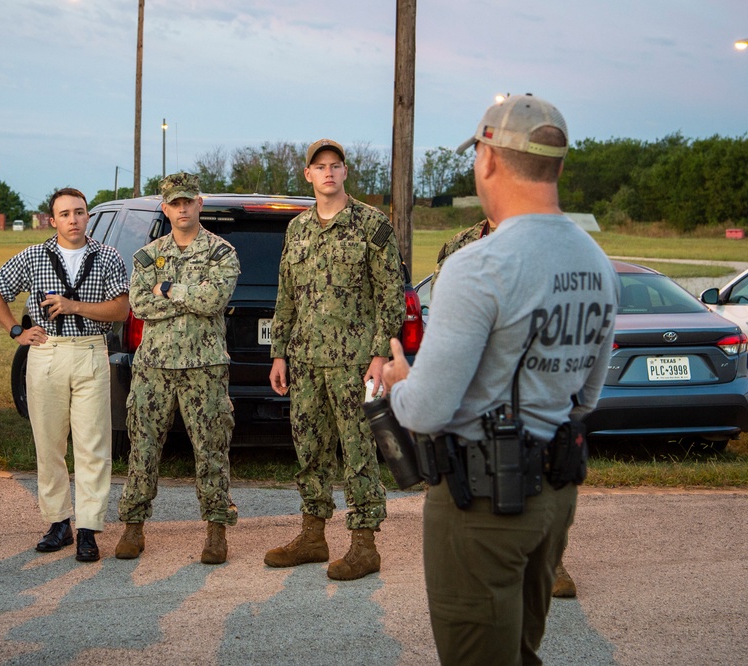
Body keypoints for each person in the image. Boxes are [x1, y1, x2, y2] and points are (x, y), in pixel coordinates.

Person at [382, 94, 617, 665]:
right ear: (557, 167)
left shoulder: (479, 264)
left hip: (482, 505)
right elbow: (586, 396)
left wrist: (398, 379)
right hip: (554, 498)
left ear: (487, 159)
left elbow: (426, 411)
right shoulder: (596, 262)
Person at [264, 139, 406, 581]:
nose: (328, 172)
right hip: (305, 361)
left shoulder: (371, 225)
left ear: (345, 173)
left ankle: (364, 545)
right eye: (319, 167)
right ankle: (313, 535)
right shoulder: (298, 230)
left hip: (354, 363)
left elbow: (391, 296)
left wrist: (379, 354)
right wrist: (280, 353)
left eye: (335, 166)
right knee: (309, 449)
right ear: (307, 175)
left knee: (359, 450)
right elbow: (286, 296)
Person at [435, 218, 578, 599]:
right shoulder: (458, 245)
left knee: (545, 467)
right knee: (482, 469)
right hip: (480, 382)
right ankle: (486, 560)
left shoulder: (554, 243)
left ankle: (552, 560)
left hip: (535, 380)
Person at [0, 188, 129, 562]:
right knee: (49, 444)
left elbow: (121, 311)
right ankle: (59, 523)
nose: (73, 219)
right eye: (65, 214)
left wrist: (72, 306)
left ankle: (89, 529)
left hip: (90, 353)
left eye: (79, 212)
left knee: (93, 445)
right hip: (46, 353)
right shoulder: (34, 256)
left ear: (87, 217)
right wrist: (16, 331)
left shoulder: (108, 256)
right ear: (53, 220)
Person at [115, 172, 239, 565]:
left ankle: (216, 530)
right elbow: (139, 304)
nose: (182, 208)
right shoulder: (148, 255)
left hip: (205, 367)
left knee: (211, 448)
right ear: (164, 208)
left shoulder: (222, 253)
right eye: (175, 203)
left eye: (189, 201)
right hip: (154, 367)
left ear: (200, 204)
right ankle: (133, 526)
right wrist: (189, 296)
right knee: (143, 447)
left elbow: (213, 300)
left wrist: (168, 289)